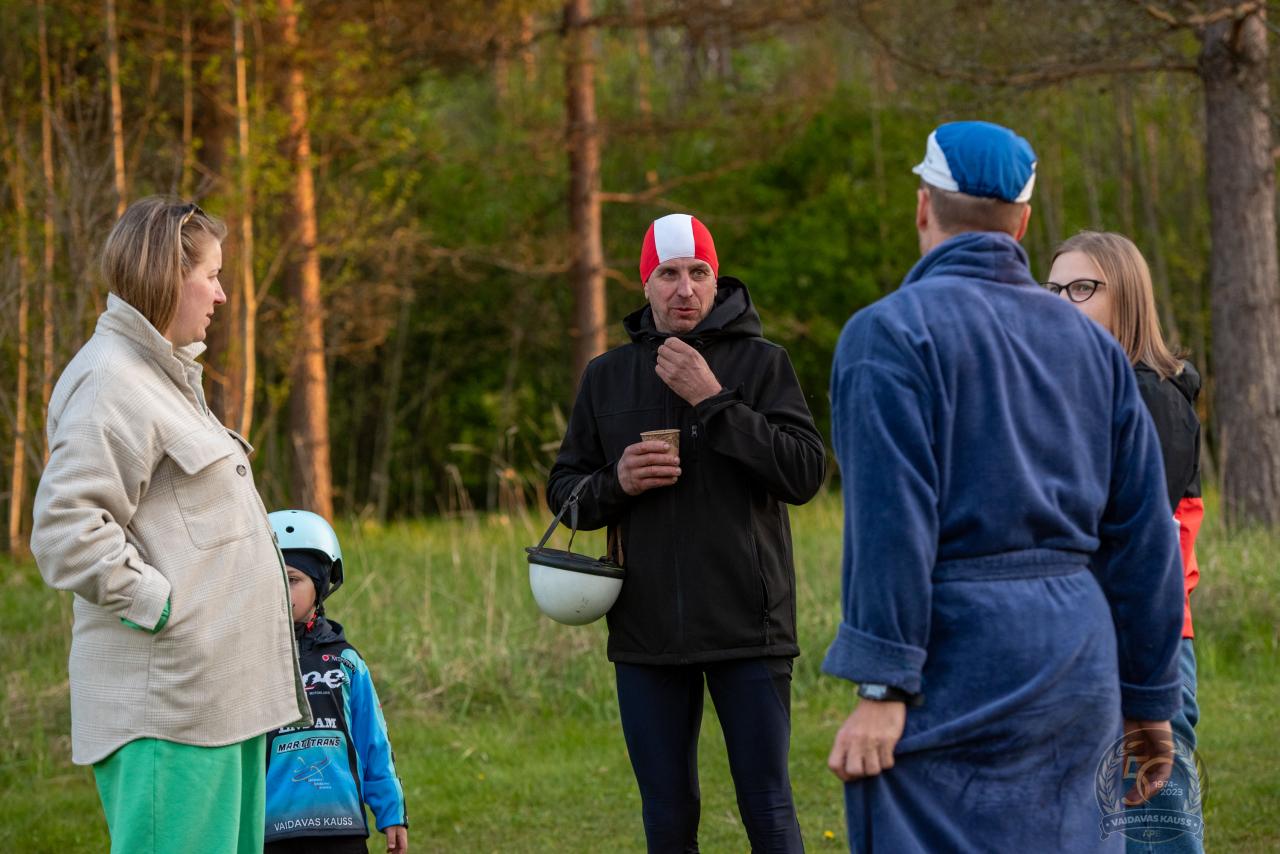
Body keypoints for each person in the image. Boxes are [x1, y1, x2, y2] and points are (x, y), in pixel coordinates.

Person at [822, 122, 1185, 852]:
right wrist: (1150, 697)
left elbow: (892, 522)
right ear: (1021, 223)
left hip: (954, 657)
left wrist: (884, 684)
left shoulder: (888, 334)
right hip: (1077, 659)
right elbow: (1145, 536)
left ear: (923, 207)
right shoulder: (1093, 348)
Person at [31, 197, 309, 853]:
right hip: (170, 710)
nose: (221, 294)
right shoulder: (111, 380)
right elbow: (67, 528)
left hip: (220, 704)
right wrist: (162, 606)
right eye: (211, 276)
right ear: (167, 277)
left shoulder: (163, 378)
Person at [547, 213, 825, 852]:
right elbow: (564, 494)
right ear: (644, 284)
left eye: (699, 273)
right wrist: (617, 480)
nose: (685, 289)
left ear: (716, 280)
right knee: (668, 817)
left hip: (749, 626)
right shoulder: (606, 376)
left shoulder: (763, 363)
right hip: (647, 633)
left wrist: (714, 400)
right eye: (668, 274)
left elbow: (804, 474)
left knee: (769, 810)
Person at [1047, 231, 1204, 853]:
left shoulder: (1149, 395)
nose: (1062, 301)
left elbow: (1141, 547)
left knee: (1152, 832)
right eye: (1053, 288)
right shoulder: (1079, 392)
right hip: (1087, 638)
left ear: (1128, 298)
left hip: (1145, 644)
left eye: (1083, 288)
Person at [264, 510, 408, 854]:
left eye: (292, 579)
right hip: (270, 830)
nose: (280, 589)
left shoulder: (346, 661)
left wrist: (391, 812)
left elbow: (374, 741)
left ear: (320, 584)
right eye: (270, 577)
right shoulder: (249, 662)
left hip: (342, 828)